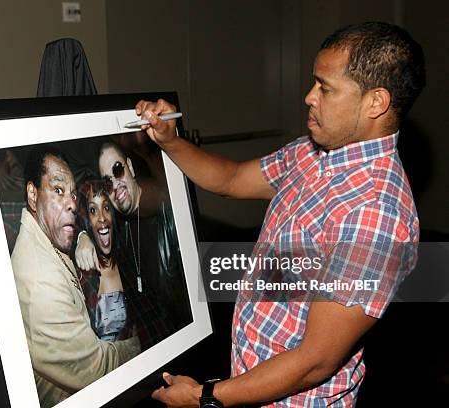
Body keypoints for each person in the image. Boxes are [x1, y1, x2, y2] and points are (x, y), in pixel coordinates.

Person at [138, 21, 425, 407]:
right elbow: (233, 178)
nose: (309, 97)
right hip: (252, 380)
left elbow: (314, 362)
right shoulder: (314, 152)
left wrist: (204, 396)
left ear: (376, 102)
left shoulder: (375, 214)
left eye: (325, 88)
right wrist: (170, 141)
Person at [10, 147, 140, 407]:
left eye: (72, 194)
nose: (71, 203)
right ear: (32, 196)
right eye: (58, 191)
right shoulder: (42, 283)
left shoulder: (48, 243)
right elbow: (96, 369)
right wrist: (139, 345)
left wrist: (81, 237)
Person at [75, 141, 192, 330]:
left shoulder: (169, 213)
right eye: (107, 181)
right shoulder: (121, 226)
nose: (115, 184)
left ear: (130, 167)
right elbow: (79, 201)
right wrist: (82, 235)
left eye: (118, 169)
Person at [77, 178, 131, 342]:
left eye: (106, 208)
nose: (102, 218)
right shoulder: (82, 271)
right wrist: (81, 235)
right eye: (93, 210)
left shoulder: (129, 261)